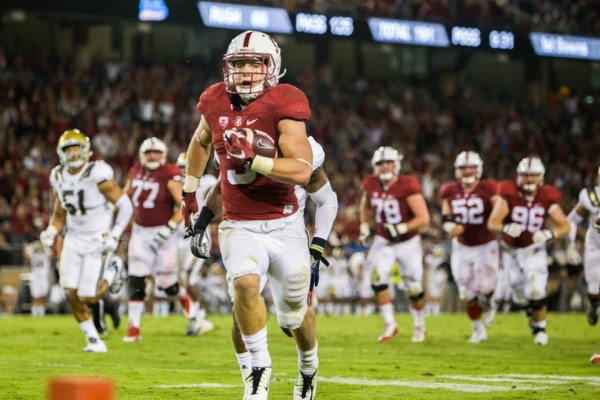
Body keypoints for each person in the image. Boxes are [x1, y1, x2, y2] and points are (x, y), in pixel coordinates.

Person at [182, 30, 320, 400]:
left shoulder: (286, 101)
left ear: (271, 67)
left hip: (284, 223)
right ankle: (258, 373)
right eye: (239, 64)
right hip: (238, 224)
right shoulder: (214, 98)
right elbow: (200, 141)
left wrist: (255, 159)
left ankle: (308, 369)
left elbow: (302, 170)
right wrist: (189, 190)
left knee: (293, 317)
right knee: (244, 283)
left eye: (254, 64)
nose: (245, 72)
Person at [189, 136, 337, 395]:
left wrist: (317, 245)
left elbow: (327, 200)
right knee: (241, 306)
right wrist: (201, 224)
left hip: (287, 233)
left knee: (293, 319)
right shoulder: (232, 137)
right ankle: (254, 381)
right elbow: (222, 188)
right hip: (244, 229)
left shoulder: (303, 146)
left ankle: (308, 369)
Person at [39, 129, 133, 352]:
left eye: (76, 148)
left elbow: (125, 205)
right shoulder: (58, 175)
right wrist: (51, 231)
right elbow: (60, 212)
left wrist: (116, 234)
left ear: (86, 150)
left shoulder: (96, 173)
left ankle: (114, 268)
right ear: (61, 153)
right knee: (69, 291)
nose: (73, 153)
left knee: (89, 297)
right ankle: (94, 340)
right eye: (68, 149)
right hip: (73, 239)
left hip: (97, 239)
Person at [487, 156, 570, 346]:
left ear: (541, 177)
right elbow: (493, 222)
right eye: (526, 175)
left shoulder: (548, 196)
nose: (530, 179)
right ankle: (530, 312)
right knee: (519, 295)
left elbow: (565, 226)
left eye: (533, 175)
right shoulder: (508, 193)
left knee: (535, 289)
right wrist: (505, 228)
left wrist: (550, 233)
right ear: (518, 176)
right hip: (511, 251)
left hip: (534, 249)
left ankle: (539, 328)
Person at [358, 146, 430, 343]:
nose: (385, 166)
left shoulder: (408, 185)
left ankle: (419, 323)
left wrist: (402, 228)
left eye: (388, 162)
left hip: (408, 242)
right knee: (377, 278)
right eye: (380, 163)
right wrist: (365, 226)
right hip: (383, 240)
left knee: (413, 288)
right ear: (375, 166)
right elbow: (365, 205)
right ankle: (390, 323)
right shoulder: (370, 183)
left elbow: (424, 218)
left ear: (396, 164)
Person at [122, 137, 189, 342]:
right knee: (137, 278)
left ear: (163, 154)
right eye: (149, 152)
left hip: (163, 233)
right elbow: (125, 198)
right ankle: (134, 328)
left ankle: (192, 311)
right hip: (140, 232)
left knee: (166, 284)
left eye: (156, 152)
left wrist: (170, 226)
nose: (152, 156)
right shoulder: (135, 171)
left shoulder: (169, 172)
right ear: (142, 155)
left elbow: (184, 205)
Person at [439, 151, 500, 343]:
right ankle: (477, 329)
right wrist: (450, 227)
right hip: (462, 245)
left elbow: (500, 209)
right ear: (457, 170)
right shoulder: (449, 190)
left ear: (478, 169)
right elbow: (446, 217)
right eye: (463, 168)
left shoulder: (489, 188)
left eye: (470, 167)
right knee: (465, 292)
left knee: (485, 287)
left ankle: (489, 302)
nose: (467, 171)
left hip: (485, 243)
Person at [175, 151, 216, 336]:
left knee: (187, 280)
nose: (185, 173)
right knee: (180, 280)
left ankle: (199, 317)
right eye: (182, 169)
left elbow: (213, 200)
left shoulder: (206, 181)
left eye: (187, 168)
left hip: (197, 233)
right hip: (180, 235)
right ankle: (197, 316)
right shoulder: (173, 183)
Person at [565, 166, 600, 328]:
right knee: (593, 287)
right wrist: (570, 245)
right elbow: (571, 220)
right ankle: (593, 304)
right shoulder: (593, 197)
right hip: (595, 245)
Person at [24, 240, 51, 317]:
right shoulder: (33, 254)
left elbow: (52, 253)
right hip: (35, 276)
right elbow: (25, 254)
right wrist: (30, 247)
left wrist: (45, 247)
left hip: (43, 276)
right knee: (35, 295)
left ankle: (41, 312)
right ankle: (34, 312)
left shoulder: (45, 254)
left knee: (42, 295)